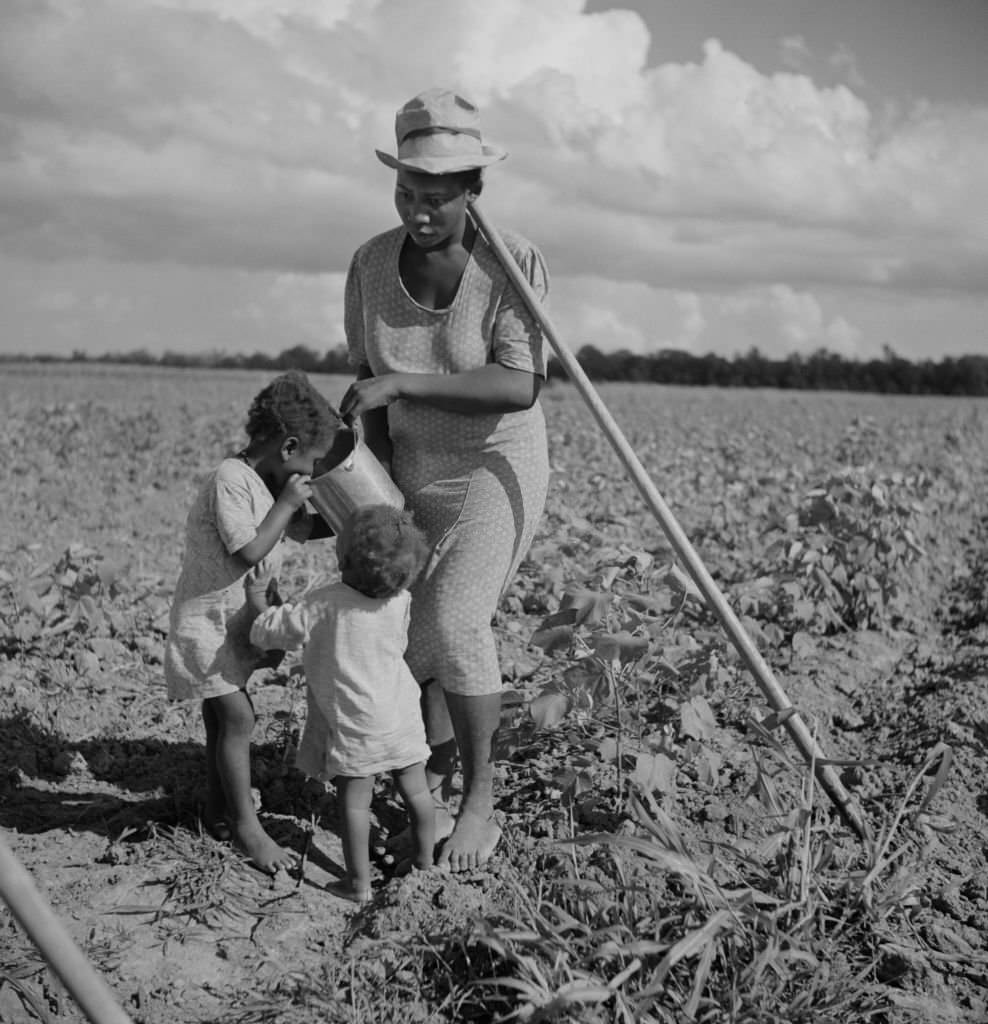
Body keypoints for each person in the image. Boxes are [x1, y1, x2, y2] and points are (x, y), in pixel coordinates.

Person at [339, 88, 550, 872]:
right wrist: (372, 479)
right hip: (413, 471)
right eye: (406, 194)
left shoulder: (511, 263)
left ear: (473, 192)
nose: (418, 212)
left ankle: (479, 801)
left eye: (436, 198)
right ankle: (426, 787)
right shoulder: (369, 263)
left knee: (457, 624)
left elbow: (518, 383)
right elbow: (367, 377)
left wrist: (404, 385)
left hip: (498, 465)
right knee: (405, 639)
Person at [164, 370, 339, 874]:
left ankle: (220, 811)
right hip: (207, 626)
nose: (311, 473)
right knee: (239, 719)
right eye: (311, 461)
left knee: (222, 719)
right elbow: (247, 551)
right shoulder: (231, 480)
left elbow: (304, 531)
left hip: (231, 622)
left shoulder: (264, 481)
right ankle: (246, 827)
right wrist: (286, 504)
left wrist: (347, 508)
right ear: (287, 447)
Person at [249, 505, 434, 904]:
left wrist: (259, 601)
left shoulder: (325, 602)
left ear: (344, 559)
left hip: (356, 723)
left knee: (354, 804)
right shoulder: (400, 600)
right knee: (417, 794)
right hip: (401, 714)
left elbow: (275, 631)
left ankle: (358, 884)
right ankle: (424, 865)